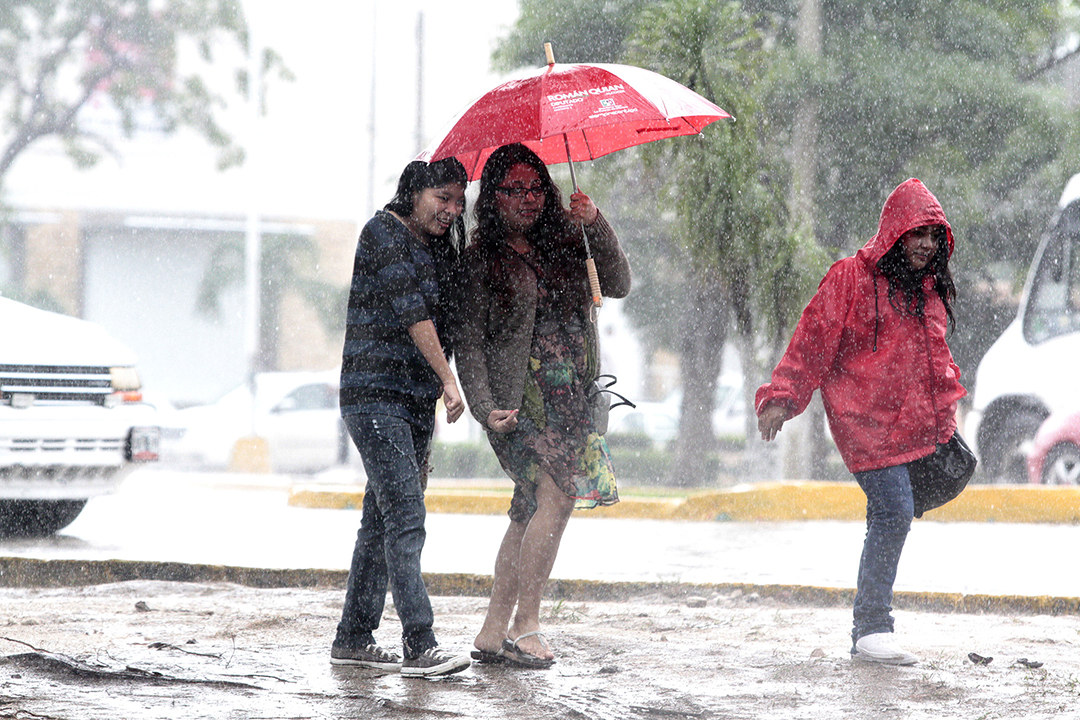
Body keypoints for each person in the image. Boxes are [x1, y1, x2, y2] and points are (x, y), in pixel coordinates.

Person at [756, 178, 965, 666]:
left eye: (934, 236)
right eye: (917, 234)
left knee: (890, 513)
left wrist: (943, 422)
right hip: (864, 425)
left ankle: (868, 627)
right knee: (894, 511)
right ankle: (872, 627)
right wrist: (782, 397)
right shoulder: (849, 279)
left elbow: (934, 362)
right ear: (895, 233)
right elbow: (812, 340)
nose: (927, 245)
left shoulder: (927, 290)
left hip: (909, 429)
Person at [455, 143, 631, 668]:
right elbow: (469, 342)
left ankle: (493, 627)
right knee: (558, 497)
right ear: (493, 197)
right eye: (514, 189)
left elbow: (619, 283)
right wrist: (485, 408)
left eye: (536, 188)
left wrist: (595, 223)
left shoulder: (567, 240)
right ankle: (525, 624)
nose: (528, 199)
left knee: (529, 506)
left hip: (571, 395)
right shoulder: (482, 259)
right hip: (520, 401)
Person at [330, 158, 473, 677]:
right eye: (443, 198)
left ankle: (353, 636)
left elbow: (450, 321)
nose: (452, 210)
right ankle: (420, 642)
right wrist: (450, 381)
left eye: (459, 202)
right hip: (373, 398)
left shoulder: (438, 251)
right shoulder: (382, 233)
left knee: (380, 521)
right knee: (406, 517)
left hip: (412, 404)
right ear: (414, 193)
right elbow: (415, 314)